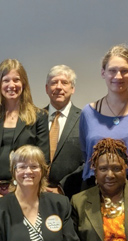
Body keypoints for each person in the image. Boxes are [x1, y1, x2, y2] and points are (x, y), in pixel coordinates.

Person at [80, 44, 128, 186]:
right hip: (94, 188)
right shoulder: (88, 112)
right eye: (112, 70)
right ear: (103, 73)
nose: (118, 76)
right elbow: (86, 154)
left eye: (124, 71)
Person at [0, 59, 49, 203]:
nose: (12, 85)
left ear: (24, 83)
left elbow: (43, 159)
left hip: (27, 193)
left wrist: (22, 192)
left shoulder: (39, 117)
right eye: (6, 80)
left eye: (16, 80)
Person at [44, 65, 84, 199]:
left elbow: (89, 160)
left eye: (64, 83)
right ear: (46, 88)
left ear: (72, 89)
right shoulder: (35, 118)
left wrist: (62, 187)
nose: (59, 87)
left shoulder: (84, 119)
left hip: (71, 195)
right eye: (54, 82)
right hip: (36, 194)